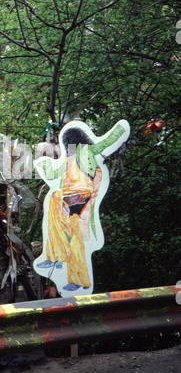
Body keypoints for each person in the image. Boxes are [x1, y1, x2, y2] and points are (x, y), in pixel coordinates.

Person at [34, 119, 130, 295]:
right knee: (55, 203)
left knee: (75, 233)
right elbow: (53, 174)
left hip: (80, 197)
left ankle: (80, 279)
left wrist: (121, 129)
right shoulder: (67, 160)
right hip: (66, 198)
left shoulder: (86, 152)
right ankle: (56, 257)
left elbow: (106, 143)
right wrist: (42, 162)